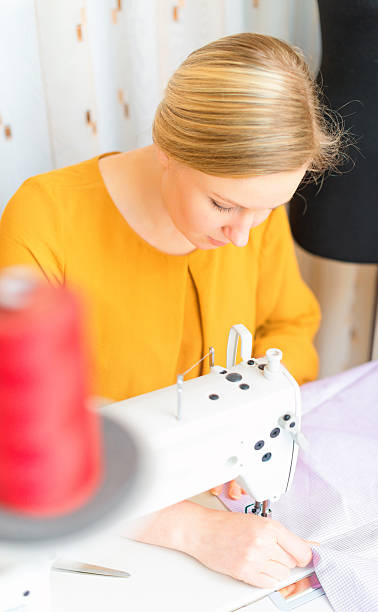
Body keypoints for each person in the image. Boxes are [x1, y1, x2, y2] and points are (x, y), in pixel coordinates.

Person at [0, 33, 342, 588]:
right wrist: (188, 529)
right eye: (222, 205)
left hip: (207, 503)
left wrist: (249, 435)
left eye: (267, 210)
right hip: (95, 533)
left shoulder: (249, 213)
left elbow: (288, 326)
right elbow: (16, 435)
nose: (240, 238)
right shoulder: (45, 222)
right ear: (167, 149)